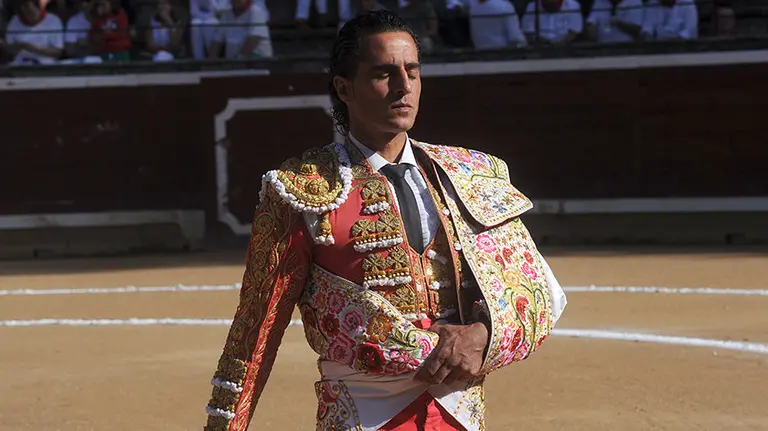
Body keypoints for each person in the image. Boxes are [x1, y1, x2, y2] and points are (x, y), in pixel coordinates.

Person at [202, 10, 566, 431]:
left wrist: (482, 336)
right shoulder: (300, 192)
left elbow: (538, 290)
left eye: (412, 70)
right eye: (384, 73)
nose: (404, 86)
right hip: (363, 415)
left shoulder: (469, 174)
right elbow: (253, 337)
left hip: (459, 414)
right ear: (344, 88)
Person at [3, 0, 64, 65]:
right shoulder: (14, 21)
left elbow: (58, 52)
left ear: (39, 8)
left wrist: (36, 49)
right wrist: (20, 46)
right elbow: (8, 49)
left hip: (46, 66)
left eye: (32, 12)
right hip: (20, 65)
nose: (30, 17)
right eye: (26, 13)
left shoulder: (53, 20)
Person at [207, 0, 272, 59]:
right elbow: (217, 42)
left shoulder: (256, 12)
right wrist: (211, 59)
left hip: (257, 60)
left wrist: (238, 60)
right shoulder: (226, 15)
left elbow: (253, 40)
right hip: (233, 63)